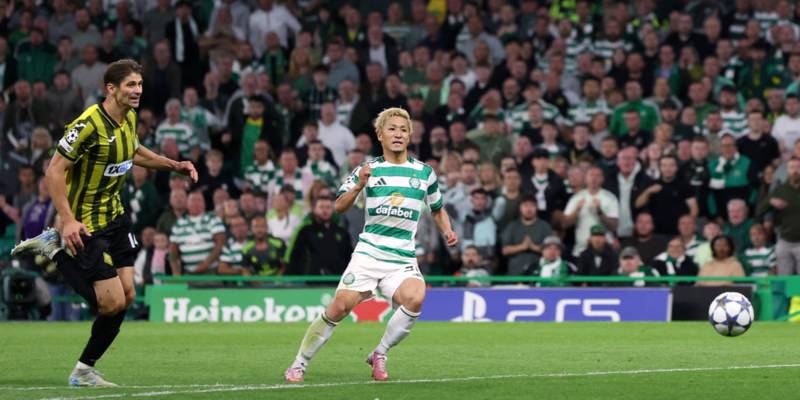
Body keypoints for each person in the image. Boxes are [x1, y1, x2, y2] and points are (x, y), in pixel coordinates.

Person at [10, 59, 198, 387]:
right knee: (110, 303)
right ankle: (54, 249)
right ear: (111, 88)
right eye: (131, 85)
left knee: (127, 296)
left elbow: (134, 151)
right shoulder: (87, 125)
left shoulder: (129, 117)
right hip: (86, 222)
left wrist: (174, 165)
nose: (138, 90)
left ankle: (84, 370)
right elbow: (53, 171)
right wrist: (68, 220)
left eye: (139, 84)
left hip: (115, 215)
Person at [285, 107, 457, 382]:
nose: (398, 134)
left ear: (410, 136)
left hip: (402, 257)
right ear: (380, 135)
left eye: (403, 130)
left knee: (416, 297)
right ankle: (299, 363)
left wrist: (447, 230)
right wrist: (357, 187)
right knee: (339, 308)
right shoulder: (367, 170)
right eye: (392, 129)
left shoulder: (425, 173)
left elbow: (437, 209)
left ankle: (380, 352)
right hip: (369, 253)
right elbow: (339, 206)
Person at [757, 156, 800, 275]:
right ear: (787, 170)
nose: (795, 170)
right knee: (784, 280)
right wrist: (771, 202)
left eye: (798, 167)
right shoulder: (779, 190)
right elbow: (759, 211)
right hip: (784, 240)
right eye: (792, 167)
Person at [500, 194, 553, 276]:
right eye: (525, 206)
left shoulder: (545, 226)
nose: (529, 209)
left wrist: (533, 247)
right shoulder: (512, 226)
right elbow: (505, 250)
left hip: (539, 273)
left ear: (537, 207)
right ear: (520, 208)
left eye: (532, 205)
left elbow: (553, 251)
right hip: (515, 273)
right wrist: (522, 247)